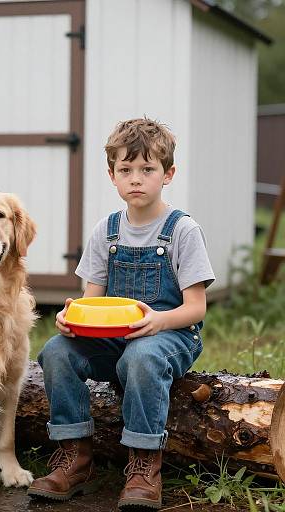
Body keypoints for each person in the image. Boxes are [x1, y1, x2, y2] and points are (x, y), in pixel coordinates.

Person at [27, 118, 215, 510]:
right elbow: (90, 301)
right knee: (56, 350)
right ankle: (74, 457)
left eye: (147, 169)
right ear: (111, 175)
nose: (136, 179)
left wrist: (157, 322)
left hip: (172, 333)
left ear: (168, 174)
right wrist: (71, 319)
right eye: (125, 170)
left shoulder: (182, 230)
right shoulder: (106, 231)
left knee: (142, 356)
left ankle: (144, 464)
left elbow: (196, 307)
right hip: (114, 336)